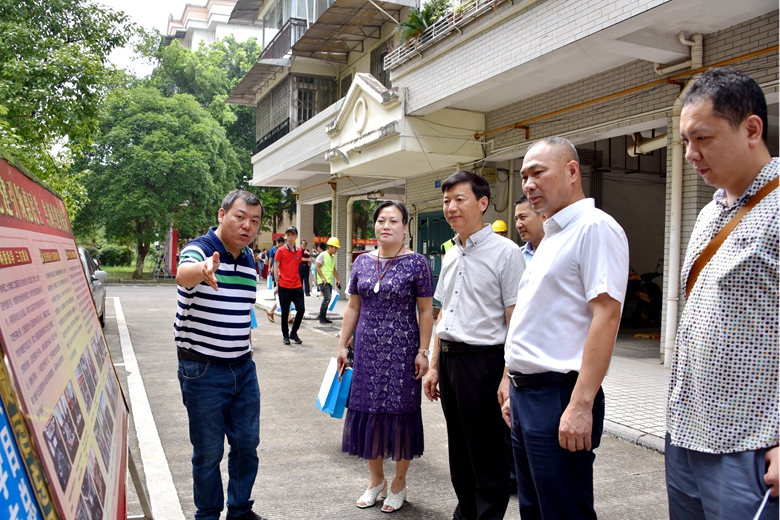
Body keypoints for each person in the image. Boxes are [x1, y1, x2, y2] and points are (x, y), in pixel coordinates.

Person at [666, 68, 778, 519]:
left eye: (703, 138)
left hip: (751, 440)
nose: (691, 154)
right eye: (685, 141)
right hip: (686, 429)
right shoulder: (711, 211)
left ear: (751, 129)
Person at [501, 136, 628, 520]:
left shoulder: (594, 228)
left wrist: (581, 404)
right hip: (525, 397)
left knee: (563, 510)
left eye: (537, 173)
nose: (528, 184)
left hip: (558, 396)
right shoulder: (552, 235)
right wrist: (511, 380)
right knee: (533, 509)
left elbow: (607, 316)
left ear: (572, 171)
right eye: (524, 176)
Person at [423, 170, 525, 520]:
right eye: (446, 200)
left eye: (459, 199)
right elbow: (443, 314)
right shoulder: (451, 254)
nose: (450, 207)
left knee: (487, 454)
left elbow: (515, 319)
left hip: (484, 364)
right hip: (450, 362)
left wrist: (507, 376)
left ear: (482, 203)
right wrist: (434, 366)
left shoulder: (506, 253)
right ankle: (465, 514)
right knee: (459, 451)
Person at [174, 189, 267, 520]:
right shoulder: (200, 249)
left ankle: (239, 510)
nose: (247, 226)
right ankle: (208, 514)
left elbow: (242, 311)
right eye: (240, 217)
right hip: (203, 370)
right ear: (222, 214)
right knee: (208, 451)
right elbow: (183, 273)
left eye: (254, 221)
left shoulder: (249, 258)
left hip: (242, 368)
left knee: (247, 445)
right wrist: (203, 270)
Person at [337, 201, 434, 513]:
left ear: (405, 227)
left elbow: (426, 311)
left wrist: (423, 351)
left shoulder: (417, 263)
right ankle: (375, 480)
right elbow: (353, 306)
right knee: (369, 412)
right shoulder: (362, 262)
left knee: (401, 414)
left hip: (403, 353)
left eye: (393, 221)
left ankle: (399, 483)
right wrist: (342, 344)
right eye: (381, 220)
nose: (386, 226)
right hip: (366, 352)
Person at [273, 226, 305, 345]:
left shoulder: (299, 251)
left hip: (297, 285)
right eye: (288, 235)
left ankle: (294, 332)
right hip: (284, 286)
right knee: (285, 312)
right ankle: (285, 335)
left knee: (301, 310)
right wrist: (277, 284)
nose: (290, 237)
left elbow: (297, 265)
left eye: (293, 235)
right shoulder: (280, 250)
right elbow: (276, 267)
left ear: (296, 236)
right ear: (286, 236)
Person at [315, 237, 341, 324]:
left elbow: (333, 269)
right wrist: (322, 277)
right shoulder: (322, 255)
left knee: (328, 299)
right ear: (330, 246)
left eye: (337, 248)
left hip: (329, 281)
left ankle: (323, 316)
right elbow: (317, 267)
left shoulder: (333, 257)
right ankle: (321, 316)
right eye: (335, 248)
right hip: (322, 281)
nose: (336, 250)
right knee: (327, 298)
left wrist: (338, 279)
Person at [513, 194, 546, 264]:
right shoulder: (517, 257)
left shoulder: (560, 251)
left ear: (543, 217)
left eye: (523, 217)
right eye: (516, 219)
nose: (518, 225)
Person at [266, 237, 285, 322]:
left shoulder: (284, 249)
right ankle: (271, 310)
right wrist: (269, 267)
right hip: (277, 270)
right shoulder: (274, 249)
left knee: (285, 296)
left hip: (282, 271)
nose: (282, 245)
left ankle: (287, 316)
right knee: (283, 295)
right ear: (278, 242)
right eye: (281, 243)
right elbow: (270, 258)